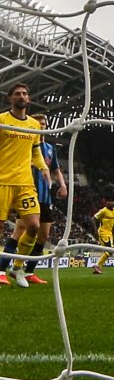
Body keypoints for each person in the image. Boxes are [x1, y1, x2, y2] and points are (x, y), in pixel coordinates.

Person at [0, 84, 48, 289]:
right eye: (17, 94)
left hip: (25, 182)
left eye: (25, 94)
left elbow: (35, 151)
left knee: (34, 226)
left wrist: (44, 168)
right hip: (2, 181)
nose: (22, 96)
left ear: (29, 99)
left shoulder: (33, 125)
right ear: (10, 98)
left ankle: (17, 267)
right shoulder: (2, 120)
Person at [12, 113, 68, 284]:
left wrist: (63, 185)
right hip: (28, 192)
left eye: (44, 123)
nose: (42, 126)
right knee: (21, 229)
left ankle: (29, 272)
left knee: (43, 235)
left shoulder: (51, 148)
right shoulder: (26, 145)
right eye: (39, 123)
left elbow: (56, 169)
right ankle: (4, 269)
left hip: (46, 197)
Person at [91, 196, 114, 275]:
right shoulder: (103, 211)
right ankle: (97, 265)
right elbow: (93, 219)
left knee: (110, 251)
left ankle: (97, 267)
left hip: (109, 233)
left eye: (112, 201)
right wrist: (95, 231)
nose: (110, 202)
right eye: (108, 201)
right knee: (110, 251)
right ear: (106, 202)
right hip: (103, 232)